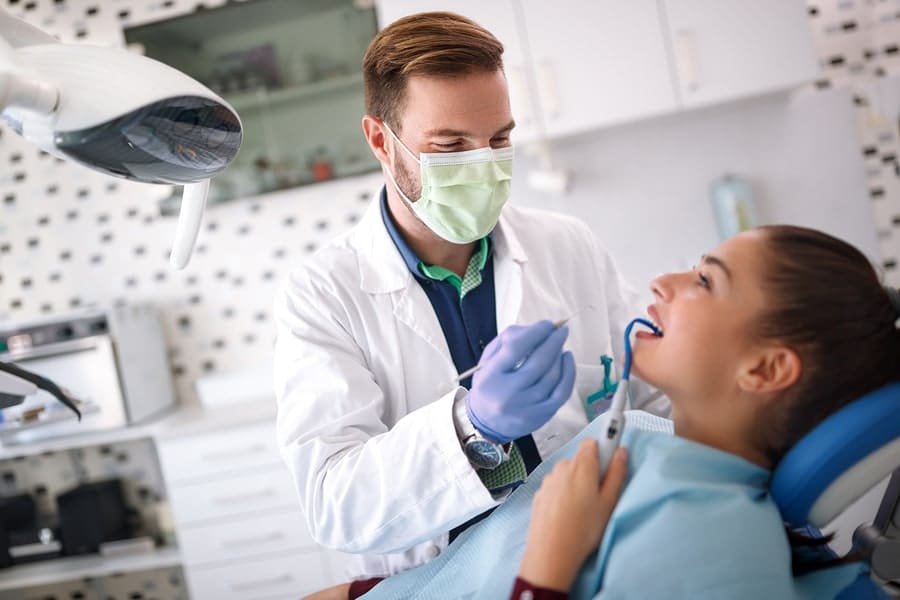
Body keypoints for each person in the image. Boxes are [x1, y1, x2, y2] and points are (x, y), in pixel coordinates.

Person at [273, 11, 665, 580]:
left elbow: (652, 405)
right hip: (443, 583)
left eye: (499, 139)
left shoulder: (567, 245)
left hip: (596, 564)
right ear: (382, 141)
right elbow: (336, 505)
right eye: (451, 145)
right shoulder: (323, 294)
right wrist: (475, 428)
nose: (483, 165)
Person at [351, 224, 898, 599]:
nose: (663, 283)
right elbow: (474, 568)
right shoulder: (640, 430)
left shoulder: (720, 545)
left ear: (765, 371)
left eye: (706, 281)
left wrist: (548, 566)